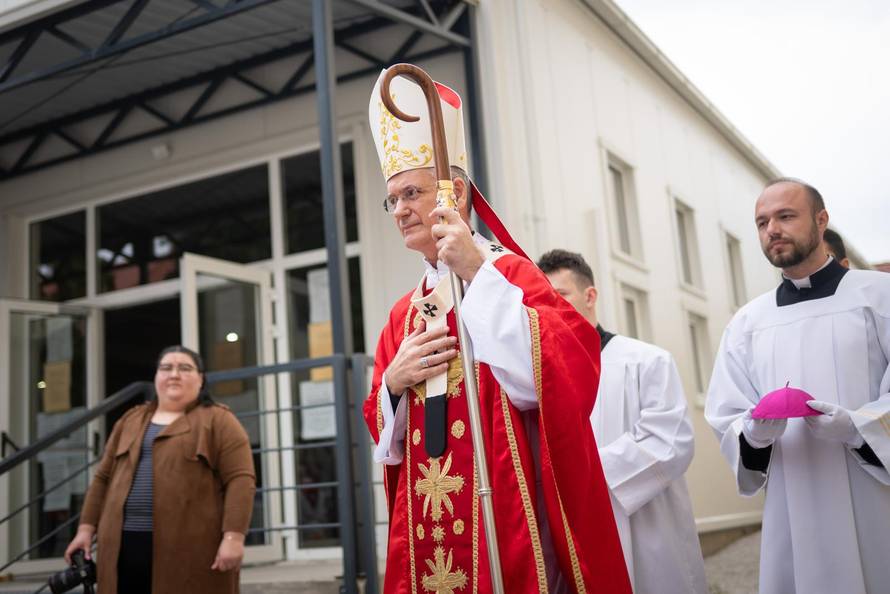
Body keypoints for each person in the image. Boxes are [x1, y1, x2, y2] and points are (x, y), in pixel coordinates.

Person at [363, 70, 630, 593]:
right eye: (391, 199)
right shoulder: (403, 315)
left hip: (505, 509)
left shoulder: (509, 276)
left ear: (454, 192)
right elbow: (385, 434)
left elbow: (558, 378)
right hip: (425, 522)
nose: (399, 211)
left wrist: (475, 274)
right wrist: (393, 385)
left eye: (411, 193)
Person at [705, 178, 890, 594]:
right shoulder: (747, 323)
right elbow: (726, 411)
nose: (772, 229)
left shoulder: (879, 297)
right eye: (762, 221)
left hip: (874, 498)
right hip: (792, 503)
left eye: (786, 216)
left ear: (821, 221)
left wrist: (859, 428)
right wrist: (752, 434)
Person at [538, 249, 707, 594]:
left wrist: (580, 474)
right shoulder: (539, 378)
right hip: (571, 538)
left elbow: (669, 442)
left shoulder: (646, 361)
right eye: (543, 299)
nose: (552, 307)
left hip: (645, 533)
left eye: (562, 295)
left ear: (590, 296)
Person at [64, 346, 256, 594]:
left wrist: (234, 538)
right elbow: (102, 479)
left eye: (185, 368)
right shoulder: (130, 420)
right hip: (123, 546)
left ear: (201, 379)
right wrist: (85, 530)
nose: (174, 374)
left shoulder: (219, 420)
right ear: (156, 377)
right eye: (166, 368)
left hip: (191, 548)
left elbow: (241, 480)